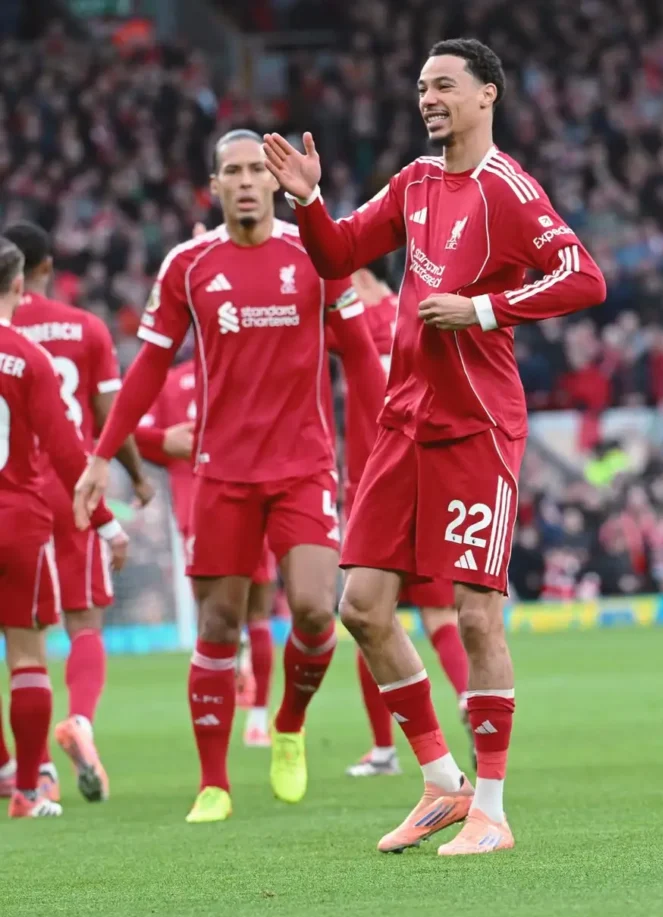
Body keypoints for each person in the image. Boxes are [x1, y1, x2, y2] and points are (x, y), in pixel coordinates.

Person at [263, 38, 606, 854]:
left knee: (475, 615)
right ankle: (441, 783)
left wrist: (484, 311)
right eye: (422, 87)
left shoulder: (509, 191)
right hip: (402, 420)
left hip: (476, 424)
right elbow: (339, 254)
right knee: (361, 607)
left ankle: (491, 808)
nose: (429, 98)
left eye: (445, 85)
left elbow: (585, 277)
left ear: (487, 94)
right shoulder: (415, 181)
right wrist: (309, 202)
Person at [73, 129, 384, 824]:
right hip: (221, 472)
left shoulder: (317, 253)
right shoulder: (188, 264)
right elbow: (148, 367)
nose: (245, 181)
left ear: (274, 181)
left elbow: (361, 358)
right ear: (213, 186)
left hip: (303, 467)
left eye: (255, 170)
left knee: (312, 609)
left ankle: (291, 725)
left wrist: (384, 447)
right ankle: (213, 782)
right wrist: (101, 457)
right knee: (217, 624)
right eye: (231, 171)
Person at [5, 221, 151, 803]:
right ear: (39, 271)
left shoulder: (18, 329)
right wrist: (134, 481)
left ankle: (26, 769)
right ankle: (79, 723)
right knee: (81, 622)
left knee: (21, 642)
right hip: (66, 496)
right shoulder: (84, 329)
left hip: (19, 490)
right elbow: (108, 415)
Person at [345, 264, 473, 778]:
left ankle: (384, 750)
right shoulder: (418, 311)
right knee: (440, 616)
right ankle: (467, 694)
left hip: (374, 475)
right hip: (431, 468)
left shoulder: (346, 318)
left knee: (369, 612)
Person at [134, 354, 278, 748]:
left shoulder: (170, 383)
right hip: (251, 497)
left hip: (196, 508)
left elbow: (139, 434)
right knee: (257, 613)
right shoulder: (248, 370)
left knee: (213, 618)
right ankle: (258, 721)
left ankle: (221, 718)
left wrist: (168, 445)